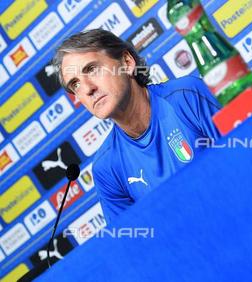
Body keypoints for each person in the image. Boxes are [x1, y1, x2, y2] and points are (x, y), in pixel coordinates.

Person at [53, 29, 221, 224]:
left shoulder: (187, 96)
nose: (88, 89)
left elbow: (245, 162)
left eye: (92, 69)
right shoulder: (106, 168)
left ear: (127, 62)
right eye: (75, 84)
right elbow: (134, 244)